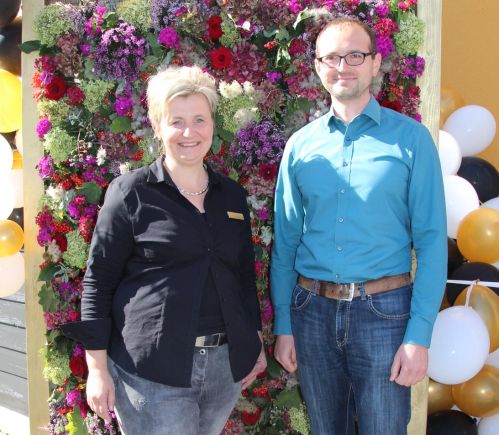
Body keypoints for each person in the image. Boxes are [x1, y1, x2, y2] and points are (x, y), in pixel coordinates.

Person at [62, 65, 266, 435]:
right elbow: (98, 282)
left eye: (199, 119)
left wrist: (252, 340)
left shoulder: (231, 195)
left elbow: (243, 276)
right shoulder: (130, 193)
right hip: (153, 375)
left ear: (213, 124)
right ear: (158, 127)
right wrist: (96, 369)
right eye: (176, 121)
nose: (189, 132)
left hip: (224, 369)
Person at [270, 17, 447, 435]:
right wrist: (283, 325)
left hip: (385, 315)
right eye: (331, 57)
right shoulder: (300, 147)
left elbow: (432, 242)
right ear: (317, 67)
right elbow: (287, 244)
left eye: (355, 55)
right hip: (311, 313)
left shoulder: (411, 140)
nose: (343, 66)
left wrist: (419, 335)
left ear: (375, 63)